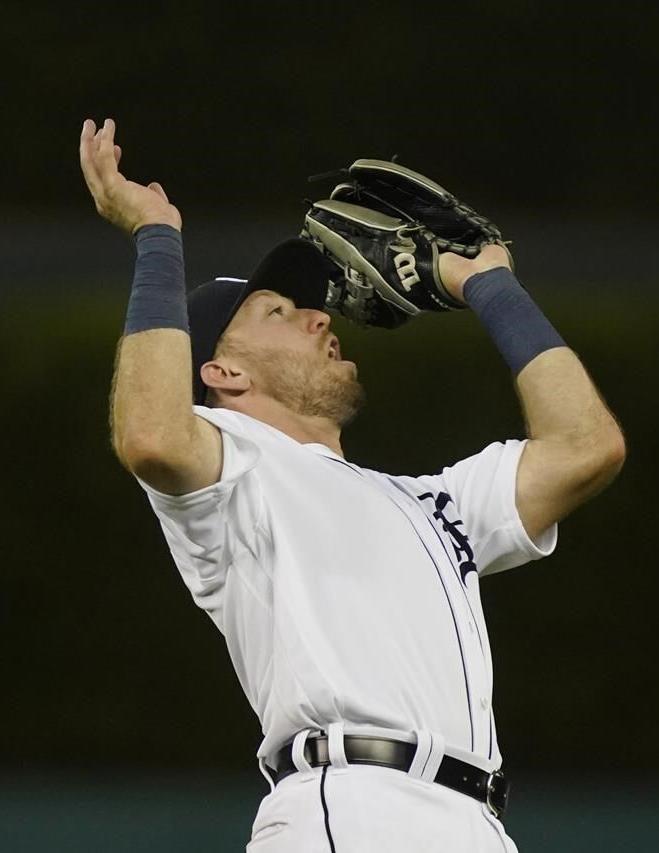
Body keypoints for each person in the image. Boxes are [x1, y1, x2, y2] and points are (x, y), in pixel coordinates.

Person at [80, 117, 626, 853]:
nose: (317, 317)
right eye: (278, 312)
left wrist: (487, 283)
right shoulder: (233, 474)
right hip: (353, 808)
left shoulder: (435, 504)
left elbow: (585, 446)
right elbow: (149, 432)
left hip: (476, 821)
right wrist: (156, 236)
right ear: (223, 372)